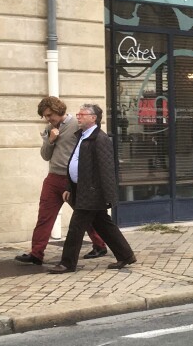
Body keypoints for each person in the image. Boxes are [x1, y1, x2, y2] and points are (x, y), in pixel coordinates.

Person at [15, 96, 107, 266]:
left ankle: (100, 245)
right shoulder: (49, 129)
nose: (48, 119)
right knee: (44, 216)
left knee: (84, 215)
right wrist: (50, 140)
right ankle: (36, 254)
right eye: (45, 116)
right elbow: (45, 155)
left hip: (72, 180)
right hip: (52, 179)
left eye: (50, 115)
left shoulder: (75, 125)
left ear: (58, 110)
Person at [46, 104, 137, 274]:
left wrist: (109, 196)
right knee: (104, 225)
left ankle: (67, 263)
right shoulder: (82, 135)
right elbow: (76, 164)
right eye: (78, 113)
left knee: (75, 228)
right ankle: (126, 255)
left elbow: (107, 168)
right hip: (81, 189)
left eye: (82, 114)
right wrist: (69, 187)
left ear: (93, 118)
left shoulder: (100, 139)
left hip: (92, 192)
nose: (78, 116)